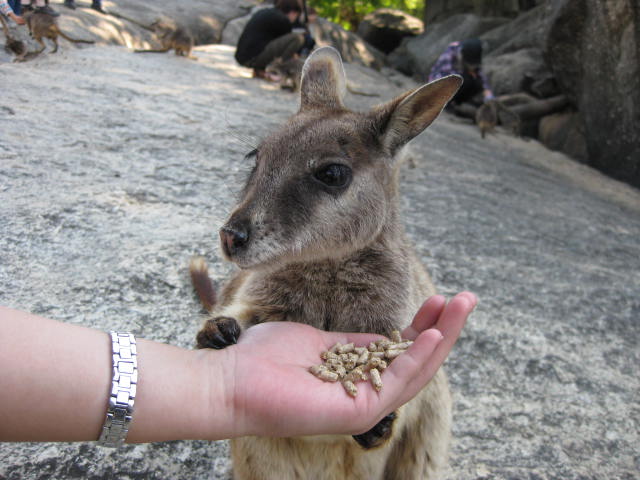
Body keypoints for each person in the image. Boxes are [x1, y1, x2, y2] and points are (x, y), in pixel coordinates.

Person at [0, 292, 476, 443]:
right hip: (269, 438)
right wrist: (215, 375)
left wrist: (209, 385)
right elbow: (246, 310)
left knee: (422, 390)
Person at [235, 0, 306, 79]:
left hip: (242, 57)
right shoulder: (282, 20)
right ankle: (277, 70)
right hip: (252, 59)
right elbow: (283, 47)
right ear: (293, 12)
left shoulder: (267, 12)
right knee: (297, 38)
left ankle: (259, 70)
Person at [429, 38, 494, 108]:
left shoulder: (473, 53)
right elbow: (440, 78)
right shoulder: (450, 54)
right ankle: (447, 103)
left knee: (476, 80)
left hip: (457, 84)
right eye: (470, 64)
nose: (472, 66)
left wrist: (488, 96)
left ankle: (458, 103)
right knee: (465, 79)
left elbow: (481, 77)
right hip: (439, 87)